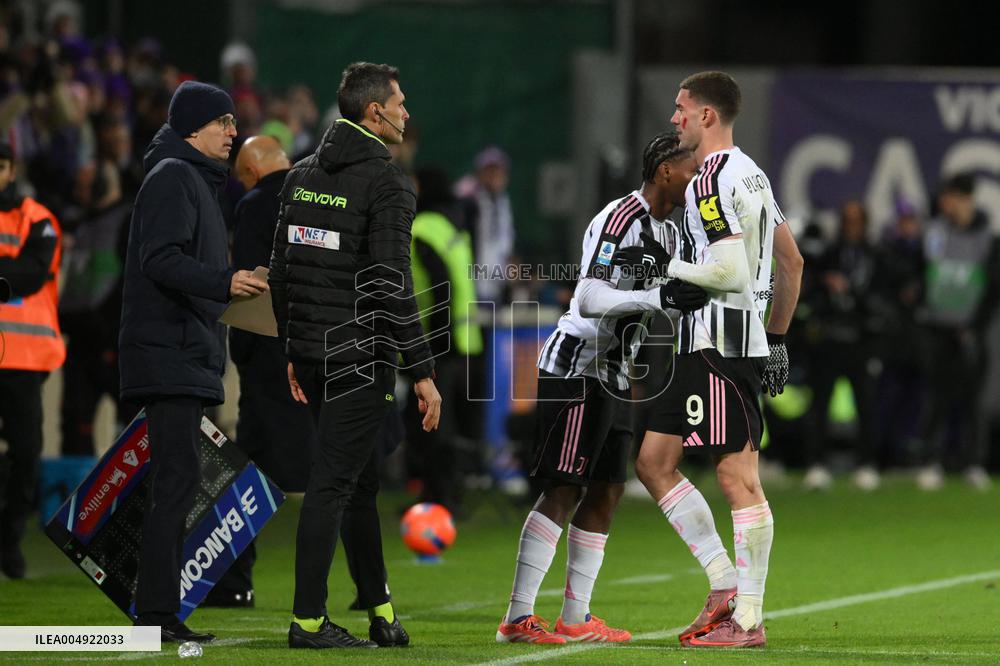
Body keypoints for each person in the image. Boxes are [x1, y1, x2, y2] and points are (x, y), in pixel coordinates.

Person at [495, 129, 708, 644]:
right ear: (664, 172)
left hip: (615, 375)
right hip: (577, 368)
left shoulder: (674, 233)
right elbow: (589, 297)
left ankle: (575, 616)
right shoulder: (619, 219)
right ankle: (518, 617)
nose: (697, 178)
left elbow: (665, 302)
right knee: (563, 487)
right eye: (690, 169)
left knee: (609, 489)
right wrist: (658, 299)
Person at [269, 62, 441, 650]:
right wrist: (422, 370)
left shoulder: (300, 177)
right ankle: (309, 622)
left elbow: (283, 272)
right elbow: (390, 283)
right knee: (334, 485)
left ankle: (380, 610)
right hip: (359, 358)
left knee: (358, 484)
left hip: (315, 355)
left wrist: (294, 349)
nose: (406, 114)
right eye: (400, 103)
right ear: (375, 113)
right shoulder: (388, 183)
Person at [630, 71, 803, 649]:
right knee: (655, 461)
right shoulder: (752, 171)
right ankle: (726, 585)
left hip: (720, 345)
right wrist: (776, 339)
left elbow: (729, 271)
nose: (674, 117)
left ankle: (748, 619)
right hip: (718, 343)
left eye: (682, 109)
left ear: (707, 115)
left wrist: (667, 269)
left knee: (737, 478)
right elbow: (792, 263)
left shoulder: (708, 178)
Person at [118, 80, 268, 643]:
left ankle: (157, 610)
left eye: (234, 122)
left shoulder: (194, 181)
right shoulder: (175, 177)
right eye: (223, 122)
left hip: (183, 352)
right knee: (176, 483)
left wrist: (233, 288)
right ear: (191, 129)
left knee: (177, 483)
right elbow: (160, 259)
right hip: (168, 353)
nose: (234, 132)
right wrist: (225, 281)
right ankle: (155, 614)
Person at [0, 140, 65, 580]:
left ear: (11, 169)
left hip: (24, 358)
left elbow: (32, 273)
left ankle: (8, 539)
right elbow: (18, 271)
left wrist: (13, 268)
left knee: (26, 455)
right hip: (22, 358)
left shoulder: (37, 218)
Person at [405, 166, 482, 517]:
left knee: (435, 422)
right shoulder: (453, 226)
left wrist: (431, 342)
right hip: (464, 336)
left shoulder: (422, 229)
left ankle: (442, 499)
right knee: (444, 420)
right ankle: (446, 494)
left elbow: (440, 287)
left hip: (440, 339)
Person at [916, 173, 999, 491]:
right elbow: (923, 273)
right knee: (936, 396)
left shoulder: (988, 240)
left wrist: (973, 326)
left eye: (950, 197)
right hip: (937, 327)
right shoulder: (935, 232)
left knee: (973, 399)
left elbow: (993, 288)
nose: (944, 203)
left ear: (965, 199)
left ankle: (974, 463)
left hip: (972, 331)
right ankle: (931, 460)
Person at [801, 200, 881, 491]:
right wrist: (826, 284)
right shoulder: (828, 256)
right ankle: (816, 464)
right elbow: (809, 290)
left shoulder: (874, 256)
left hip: (861, 340)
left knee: (866, 405)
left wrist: (857, 298)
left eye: (857, 220)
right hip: (830, 340)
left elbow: (882, 297)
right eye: (847, 221)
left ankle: (867, 464)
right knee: (819, 404)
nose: (852, 227)